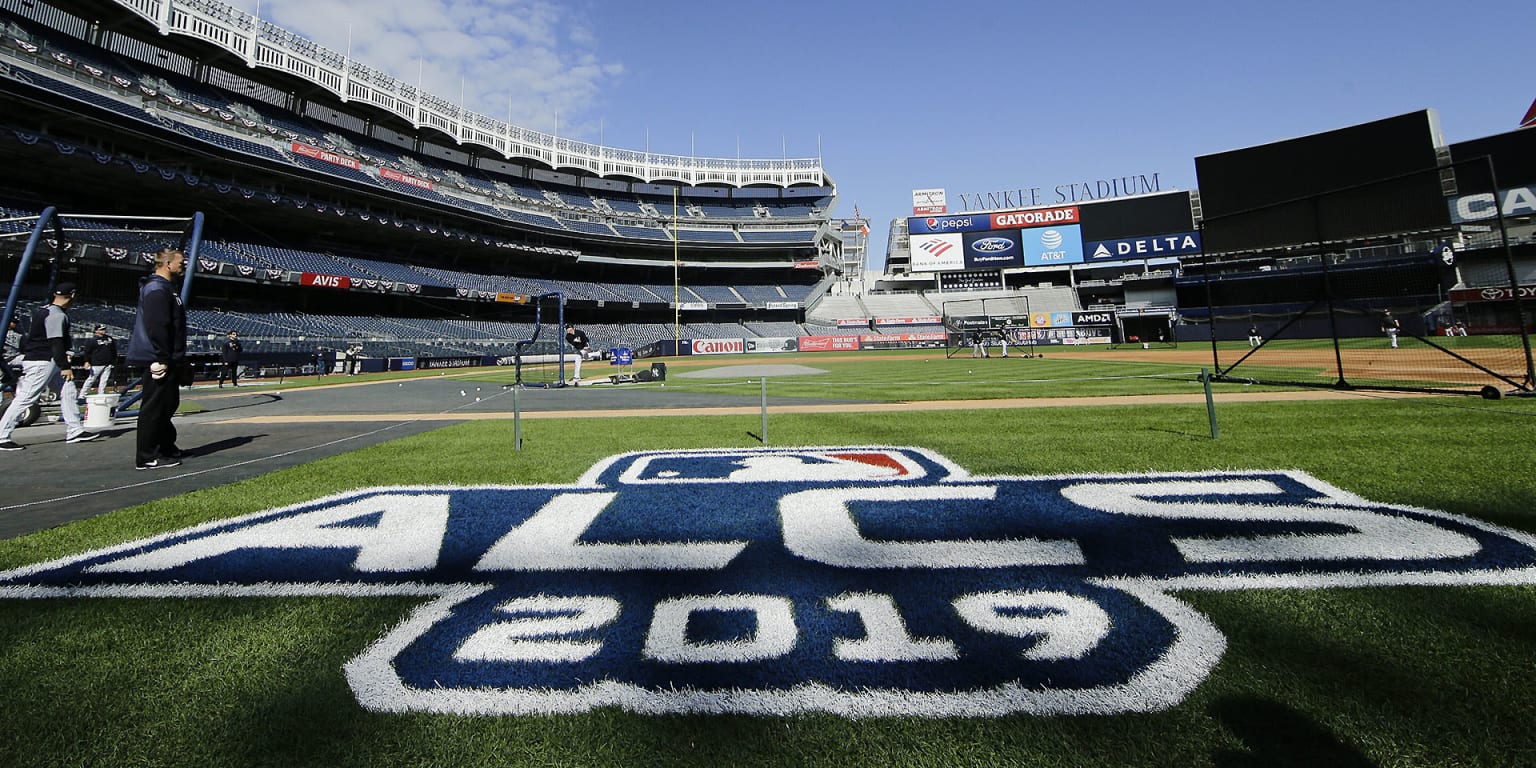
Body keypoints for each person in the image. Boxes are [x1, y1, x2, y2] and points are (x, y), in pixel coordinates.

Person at [0, 283, 97, 451]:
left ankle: (74, 430)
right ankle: (2, 436)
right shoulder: (56, 314)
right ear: (72, 295)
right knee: (26, 397)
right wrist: (64, 365)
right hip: (42, 360)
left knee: (68, 391)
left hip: (46, 360)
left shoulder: (45, 310)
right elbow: (56, 342)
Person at [126, 249, 187, 469]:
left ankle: (165, 446)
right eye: (181, 261)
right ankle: (146, 455)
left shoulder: (167, 288)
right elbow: (157, 326)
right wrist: (161, 356)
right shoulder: (156, 289)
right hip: (158, 356)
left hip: (168, 355)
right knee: (154, 406)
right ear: (168, 264)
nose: (184, 265)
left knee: (169, 403)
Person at [79, 325, 118, 395]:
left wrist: (114, 360)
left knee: (104, 381)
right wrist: (87, 361)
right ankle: (82, 395)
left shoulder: (109, 339)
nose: (103, 331)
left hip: (108, 363)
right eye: (101, 329)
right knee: (91, 379)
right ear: (96, 330)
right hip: (96, 364)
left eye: (104, 329)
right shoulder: (92, 340)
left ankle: (101, 394)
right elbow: (87, 352)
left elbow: (113, 350)